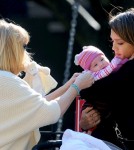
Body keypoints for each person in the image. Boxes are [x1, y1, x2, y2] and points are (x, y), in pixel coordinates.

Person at [0, 19, 94, 150]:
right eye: (23, 47)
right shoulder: (8, 81)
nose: (26, 53)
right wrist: (76, 87)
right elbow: (51, 112)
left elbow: (36, 107)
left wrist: (67, 86)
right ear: (11, 49)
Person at [79, 8, 134, 150]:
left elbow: (91, 91)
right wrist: (86, 122)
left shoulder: (128, 71)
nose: (114, 48)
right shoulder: (124, 67)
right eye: (113, 41)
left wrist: (76, 85)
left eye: (120, 43)